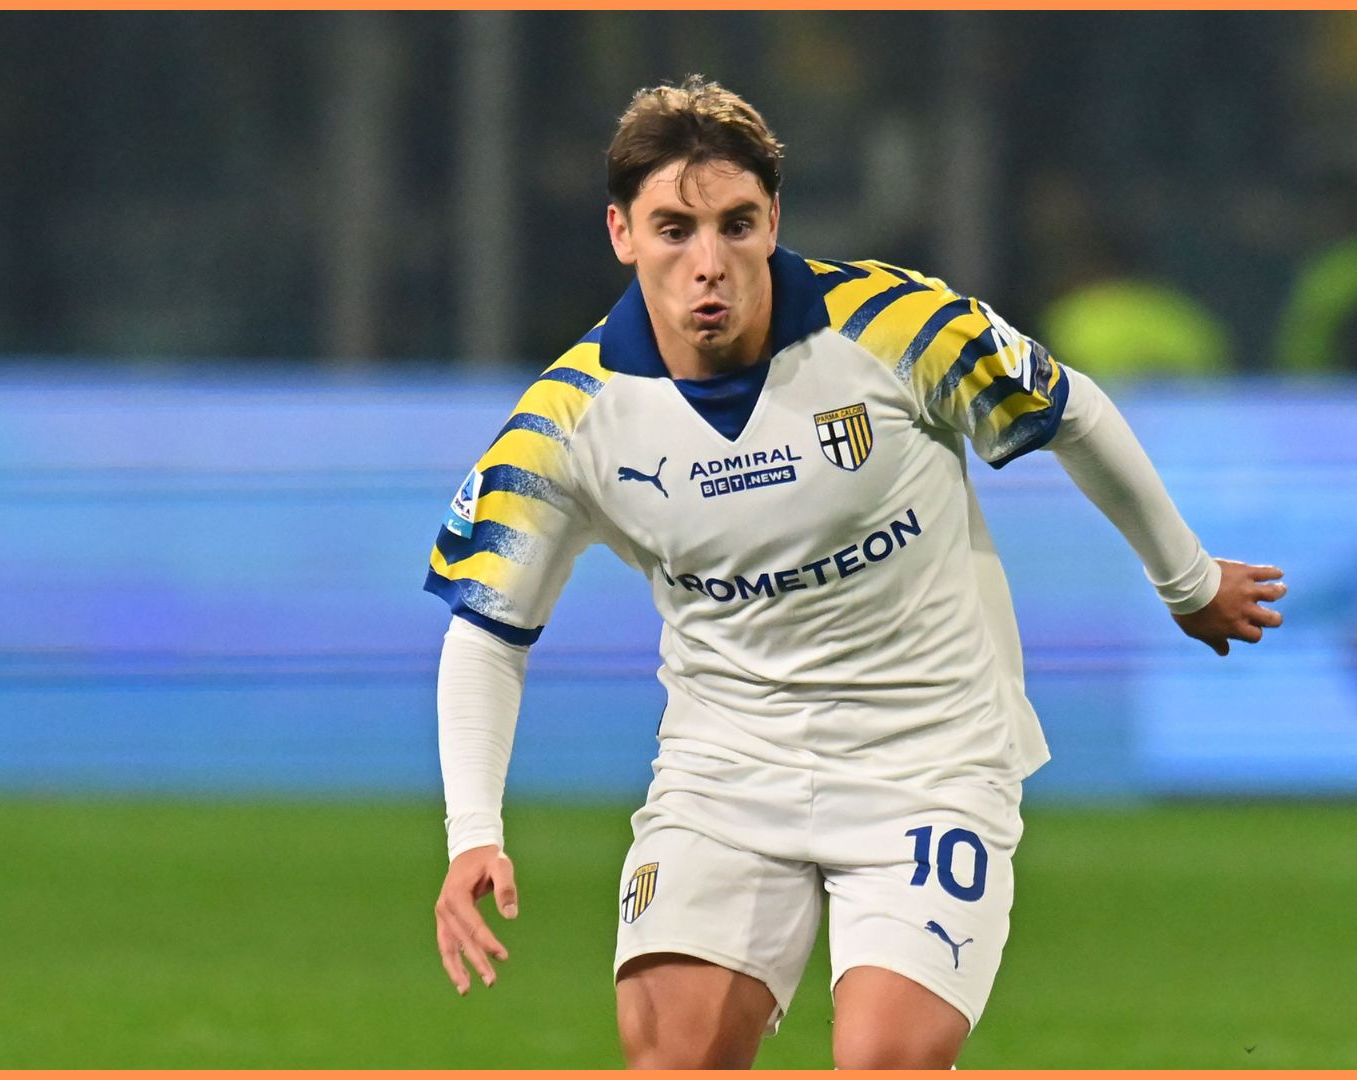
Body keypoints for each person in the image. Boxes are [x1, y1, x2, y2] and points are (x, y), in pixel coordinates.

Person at [426, 75, 1285, 1069]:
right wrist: (473, 832)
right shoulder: (567, 419)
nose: (709, 262)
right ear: (621, 234)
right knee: (672, 1056)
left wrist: (1186, 580)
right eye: (673, 230)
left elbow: (1072, 409)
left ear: (773, 219)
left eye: (736, 224)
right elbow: (488, 630)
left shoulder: (894, 328)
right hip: (725, 771)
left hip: (927, 761)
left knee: (887, 1060)